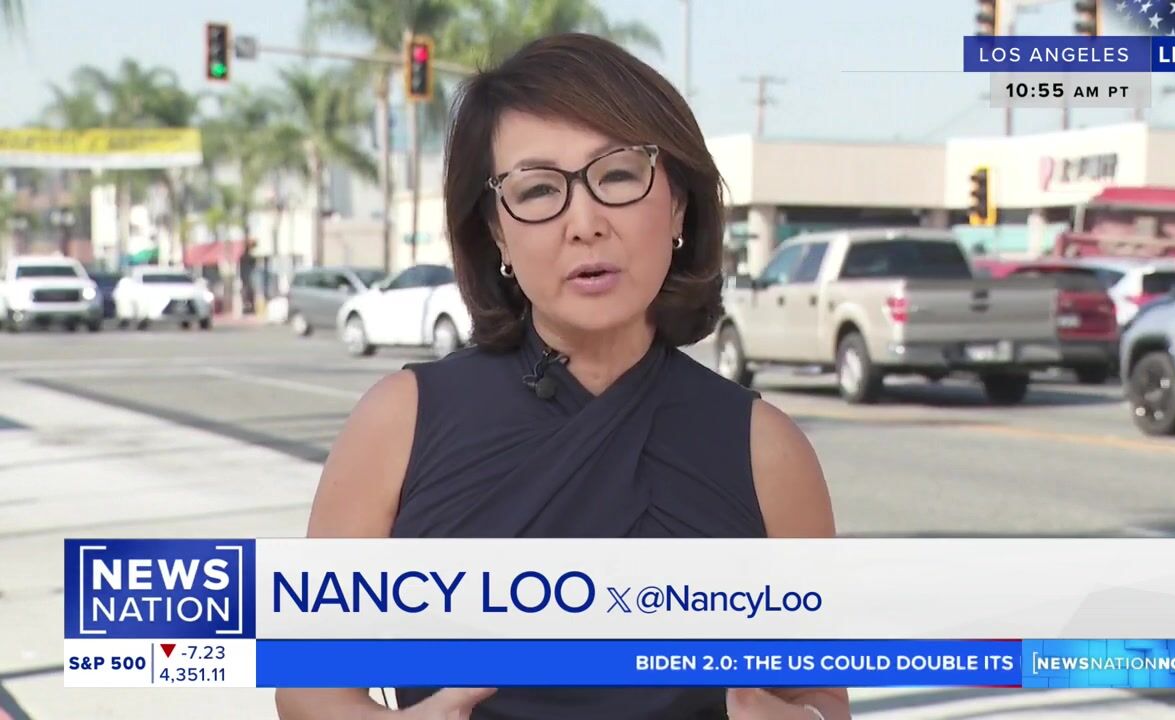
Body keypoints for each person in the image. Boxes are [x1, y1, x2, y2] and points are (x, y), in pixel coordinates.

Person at [276, 33, 848, 720]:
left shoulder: (766, 450)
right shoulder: (399, 423)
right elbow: (309, 688)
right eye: (539, 189)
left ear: (677, 204)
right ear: (496, 232)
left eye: (618, 176)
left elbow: (820, 695)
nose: (585, 224)